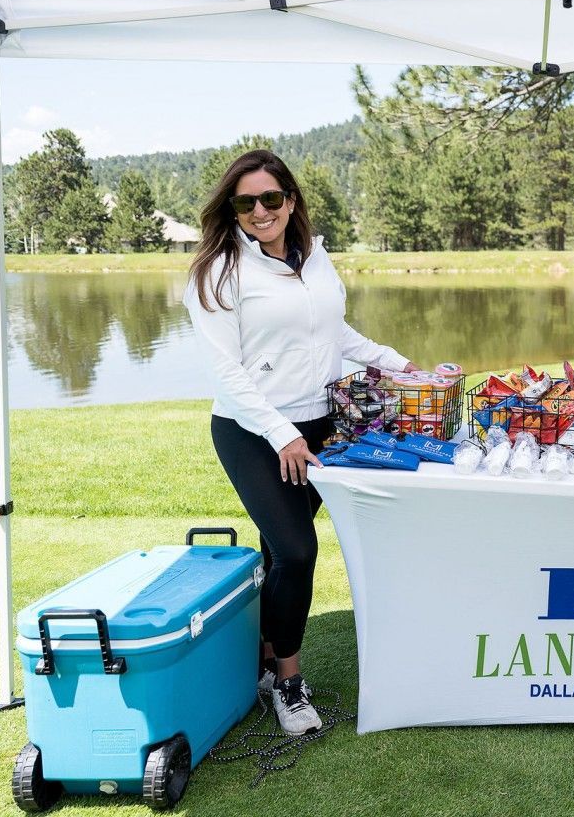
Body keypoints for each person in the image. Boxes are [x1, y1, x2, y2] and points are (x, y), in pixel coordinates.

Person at [184, 149, 414, 735]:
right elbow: (227, 372)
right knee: (297, 552)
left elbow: (336, 332)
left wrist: (400, 366)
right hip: (252, 430)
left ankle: (258, 660)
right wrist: (284, 435)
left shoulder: (314, 255)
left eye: (271, 198)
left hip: (320, 425)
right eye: (246, 201)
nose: (261, 211)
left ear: (291, 200)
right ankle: (287, 681)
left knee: (276, 554)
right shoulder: (219, 272)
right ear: (231, 208)